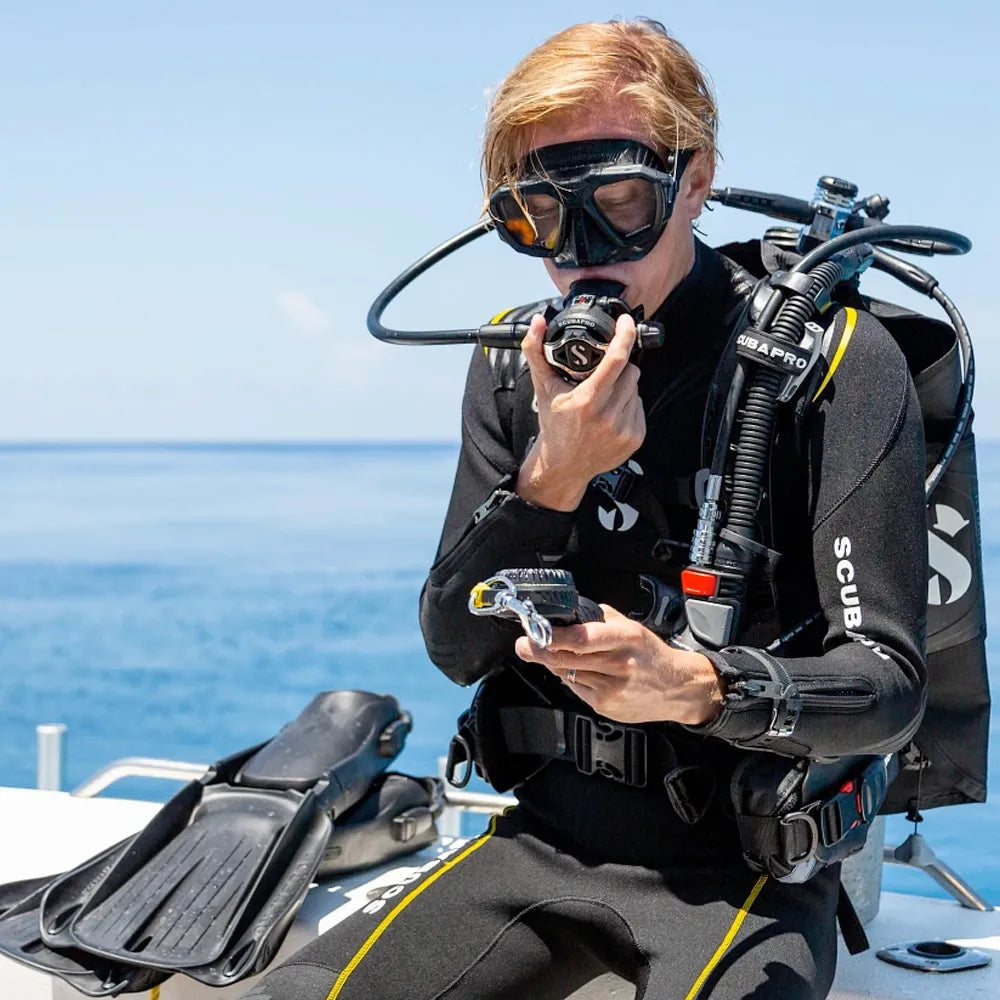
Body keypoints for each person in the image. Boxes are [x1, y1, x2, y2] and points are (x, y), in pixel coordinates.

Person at [244, 18, 927, 1000]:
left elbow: (888, 683)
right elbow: (455, 646)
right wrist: (551, 476)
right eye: (538, 220)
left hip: (745, 875)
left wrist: (698, 687)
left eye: (618, 202)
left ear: (694, 181)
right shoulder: (511, 368)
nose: (578, 255)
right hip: (541, 841)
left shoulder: (832, 364)